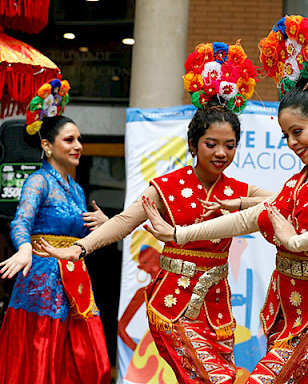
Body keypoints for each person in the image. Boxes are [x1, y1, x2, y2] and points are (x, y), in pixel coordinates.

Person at [141, 15, 308, 384]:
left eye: (297, 131)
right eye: (286, 134)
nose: (291, 143)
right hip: (288, 316)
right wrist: (179, 235)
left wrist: (295, 240)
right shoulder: (299, 182)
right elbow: (249, 220)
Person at [39, 41, 270, 384]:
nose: (221, 153)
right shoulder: (168, 186)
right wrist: (78, 248)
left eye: (230, 145)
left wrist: (237, 205)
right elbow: (123, 222)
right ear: (193, 145)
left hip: (217, 308)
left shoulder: (238, 190)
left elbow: (286, 200)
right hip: (173, 305)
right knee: (215, 379)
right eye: (211, 144)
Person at [0, 109, 111, 383]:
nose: (78, 146)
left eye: (79, 140)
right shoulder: (38, 181)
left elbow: (82, 238)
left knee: (90, 362)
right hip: (43, 279)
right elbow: (21, 221)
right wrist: (24, 247)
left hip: (75, 279)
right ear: (47, 145)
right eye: (69, 140)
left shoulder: (76, 189)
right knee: (41, 359)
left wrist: (105, 223)